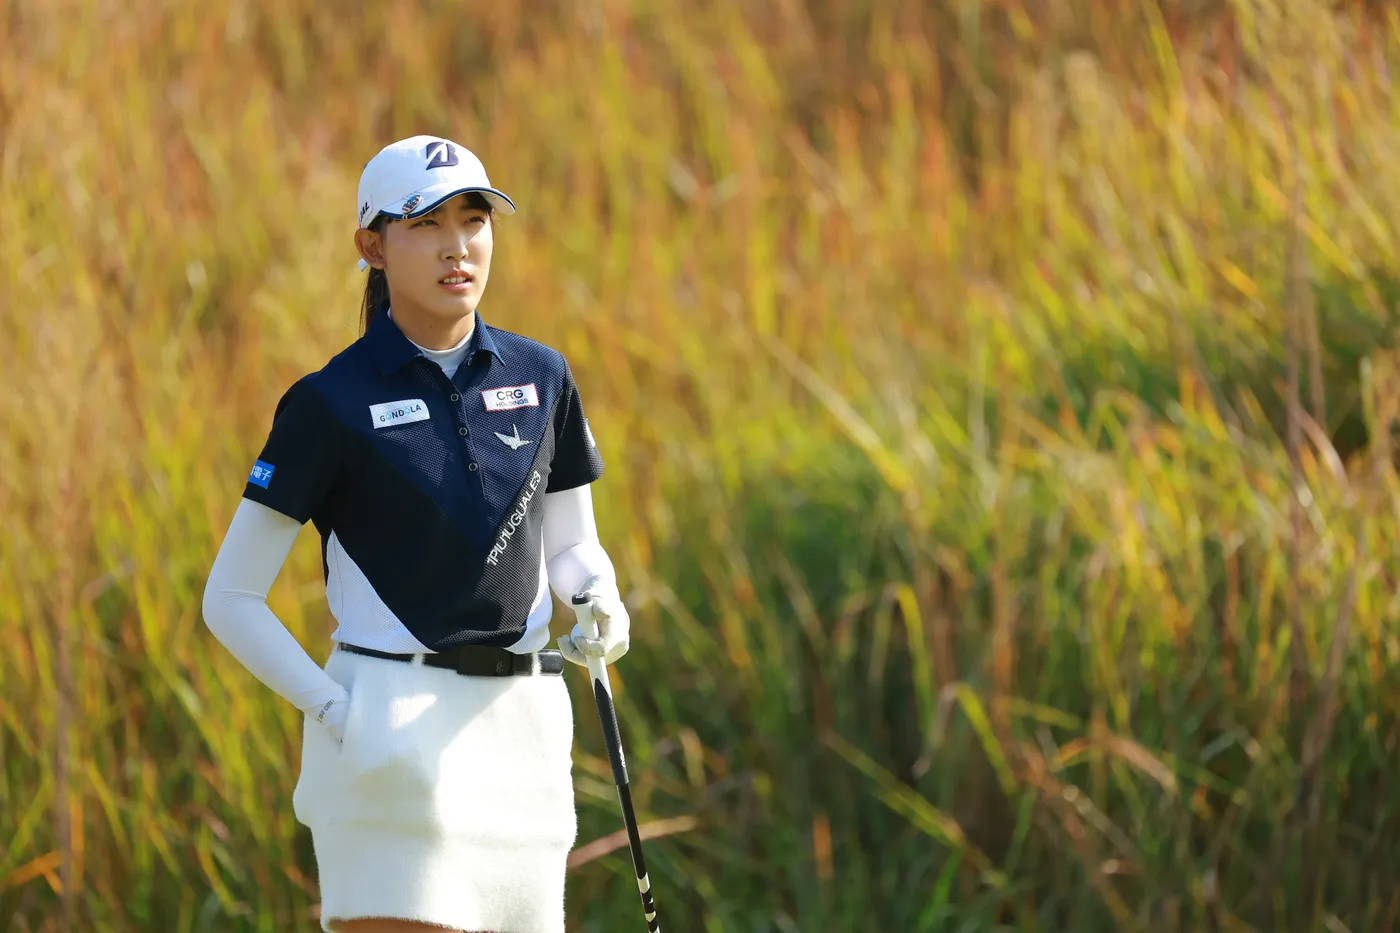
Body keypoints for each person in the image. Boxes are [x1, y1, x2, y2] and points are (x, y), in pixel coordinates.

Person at [201, 135, 631, 933]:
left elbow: (572, 546)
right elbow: (230, 597)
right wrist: (338, 712)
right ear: (373, 247)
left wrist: (598, 595)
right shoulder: (329, 402)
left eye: (473, 219)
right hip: (387, 733)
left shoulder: (543, 377)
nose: (456, 246)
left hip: (525, 739)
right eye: (425, 223)